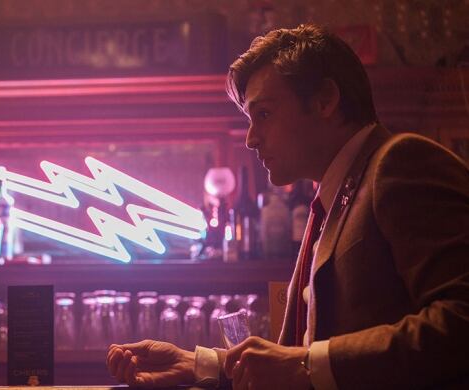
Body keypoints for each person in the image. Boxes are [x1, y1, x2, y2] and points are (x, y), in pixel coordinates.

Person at [107, 24, 469, 389]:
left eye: (263, 114)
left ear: (325, 100)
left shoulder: (400, 162)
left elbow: (462, 318)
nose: (250, 139)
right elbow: (293, 359)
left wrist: (308, 364)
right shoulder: (337, 194)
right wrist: (198, 364)